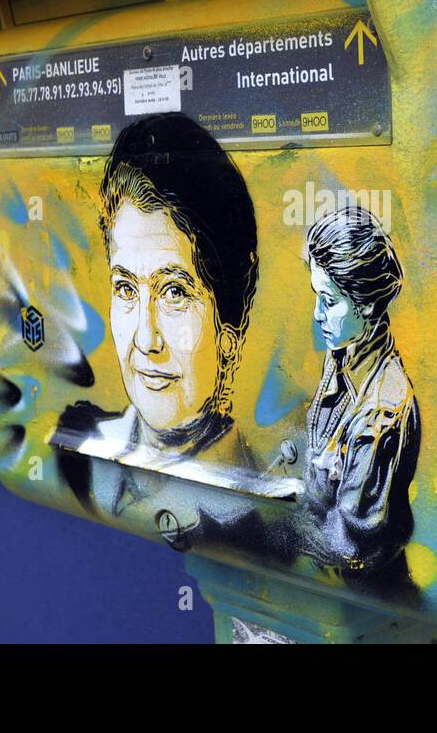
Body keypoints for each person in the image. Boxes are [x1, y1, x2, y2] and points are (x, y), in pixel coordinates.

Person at [53, 113, 294, 523]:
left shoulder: (262, 512)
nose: (147, 339)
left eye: (175, 293)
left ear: (229, 333)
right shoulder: (82, 454)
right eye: (126, 289)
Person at [301, 205, 419, 594]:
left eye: (329, 301)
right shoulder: (344, 357)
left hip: (365, 596)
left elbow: (350, 542)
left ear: (366, 305)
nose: (317, 314)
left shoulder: (381, 409)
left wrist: (262, 530)